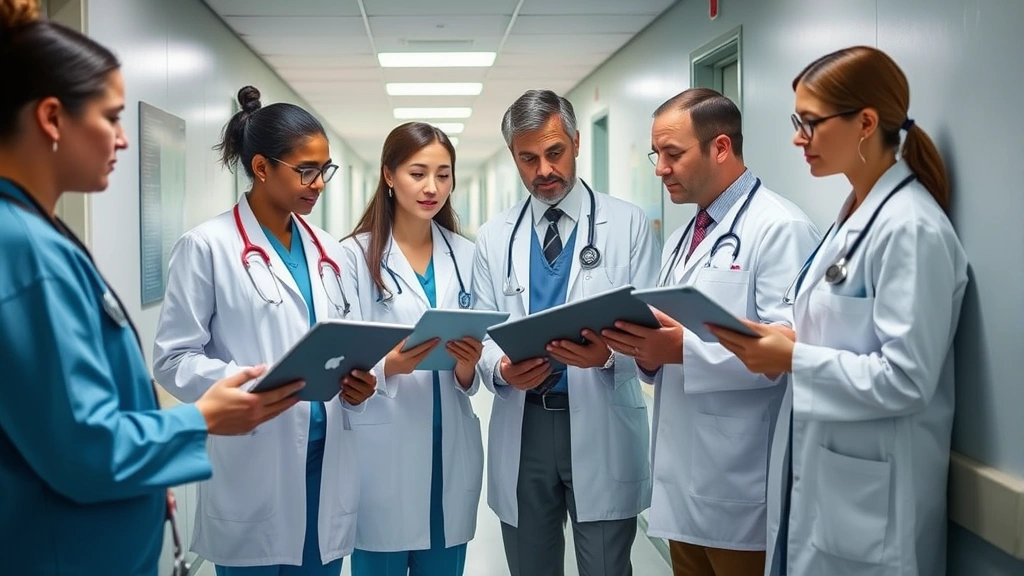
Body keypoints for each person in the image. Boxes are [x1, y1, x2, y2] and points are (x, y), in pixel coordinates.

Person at [0, 3, 302, 575]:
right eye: (112, 118)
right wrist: (201, 419)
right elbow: (84, 445)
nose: (122, 139)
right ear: (51, 118)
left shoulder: (40, 233)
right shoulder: (23, 252)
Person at [706, 46, 969, 576]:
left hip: (873, 508)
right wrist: (775, 340)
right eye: (795, 121)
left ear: (866, 122)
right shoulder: (854, 217)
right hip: (825, 488)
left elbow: (907, 379)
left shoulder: (910, 229)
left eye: (811, 123)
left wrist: (791, 358)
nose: (797, 138)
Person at [153, 86, 377, 576]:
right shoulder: (207, 246)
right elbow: (172, 360)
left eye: (325, 170)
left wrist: (358, 385)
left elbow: (345, 342)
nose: (319, 184)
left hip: (325, 464)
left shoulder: (330, 252)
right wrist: (252, 382)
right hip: (255, 460)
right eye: (306, 170)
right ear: (261, 168)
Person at [602, 88, 820, 576]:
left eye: (672, 154)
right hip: (682, 482)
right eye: (657, 154)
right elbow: (666, 331)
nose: (660, 168)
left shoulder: (780, 228)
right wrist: (646, 352)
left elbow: (788, 348)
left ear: (720, 147)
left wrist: (684, 351)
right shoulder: (683, 236)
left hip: (742, 485)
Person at [471, 89, 659, 576]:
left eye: (554, 153)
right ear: (514, 155)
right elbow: (484, 332)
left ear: (576, 142)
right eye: (527, 158)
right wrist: (502, 369)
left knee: (605, 567)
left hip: (600, 415)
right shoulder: (495, 235)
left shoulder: (628, 224)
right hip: (525, 421)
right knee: (530, 566)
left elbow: (654, 332)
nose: (543, 171)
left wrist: (606, 357)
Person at [339, 122, 483, 576]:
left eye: (443, 174)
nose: (431, 187)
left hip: (450, 450)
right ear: (388, 175)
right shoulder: (352, 257)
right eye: (417, 173)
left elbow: (476, 367)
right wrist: (390, 366)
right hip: (383, 452)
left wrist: (467, 365)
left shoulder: (467, 255)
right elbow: (343, 356)